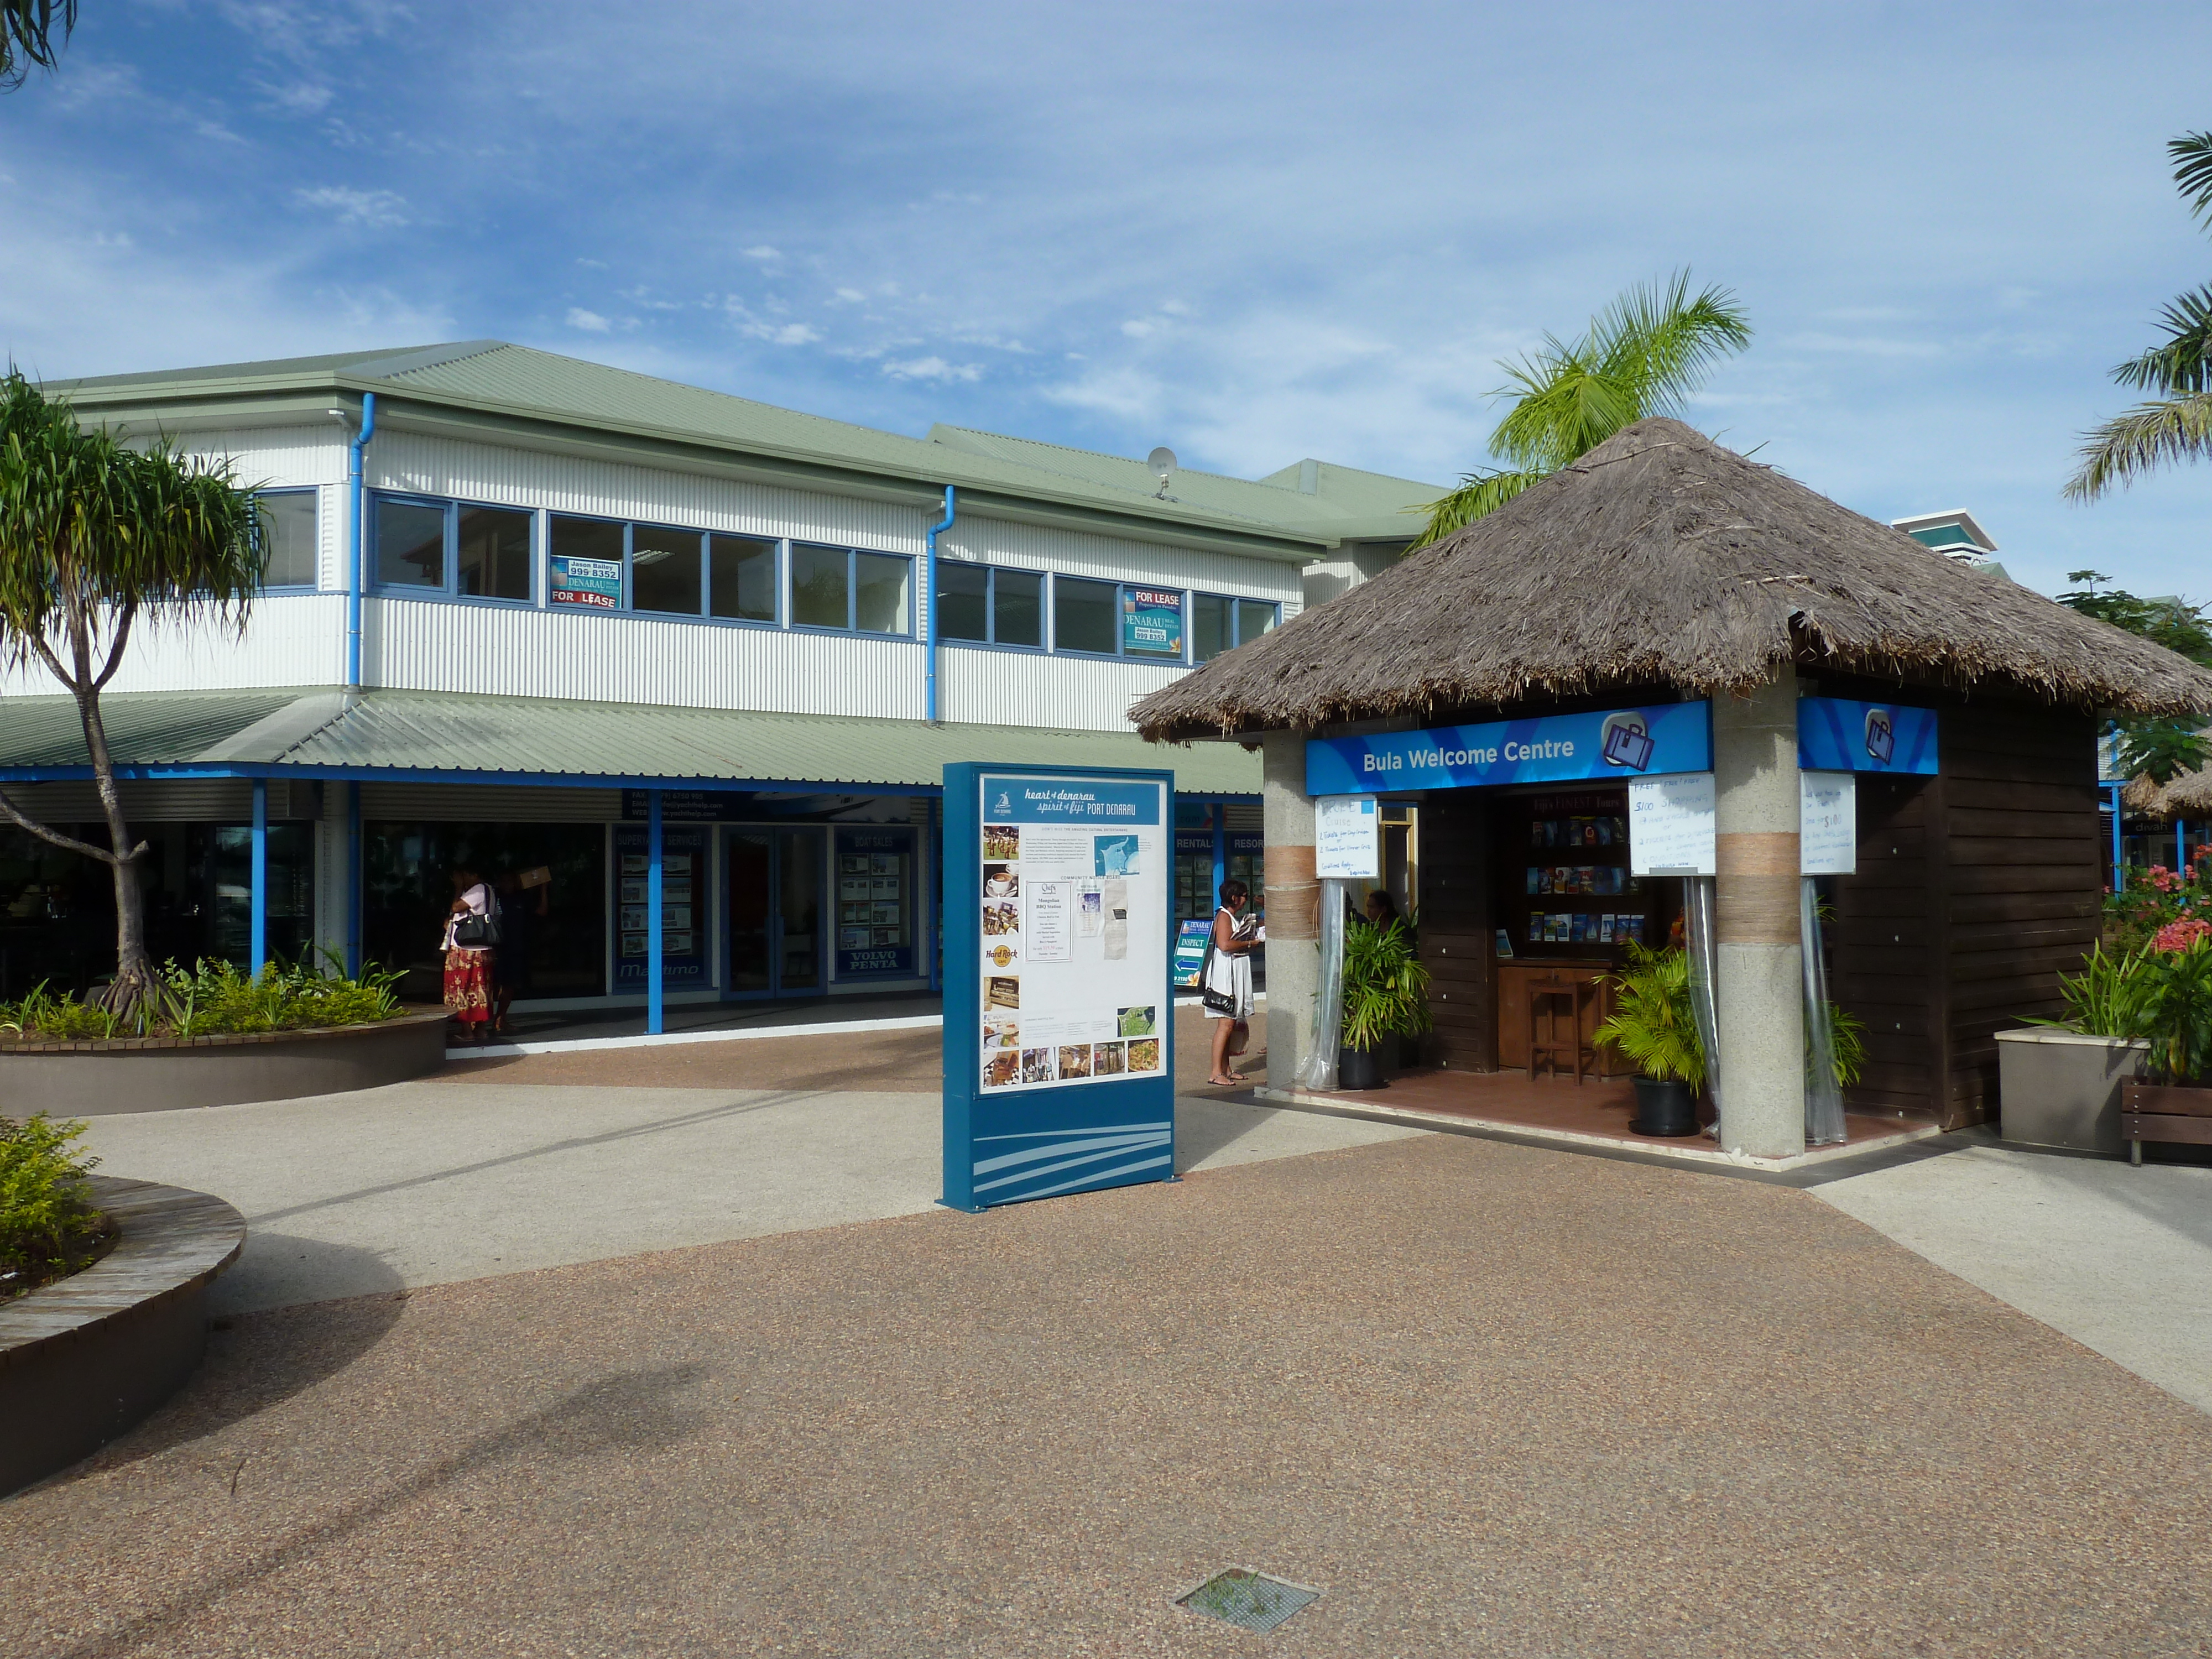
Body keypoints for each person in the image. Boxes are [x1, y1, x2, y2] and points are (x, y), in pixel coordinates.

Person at [1203, 878, 1261, 1087]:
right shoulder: (1224, 916)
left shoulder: (1230, 917)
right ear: (1235, 898)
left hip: (1235, 970)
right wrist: (1249, 942)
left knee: (1231, 1022)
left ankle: (1226, 1069)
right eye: (1244, 896)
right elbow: (1225, 944)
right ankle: (1215, 1071)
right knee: (1225, 1024)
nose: (1245, 900)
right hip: (1226, 974)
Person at [442, 865, 499, 1043]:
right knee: (481, 989)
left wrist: (458, 888)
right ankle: (480, 1030)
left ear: (475, 874)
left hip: (466, 950)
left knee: (461, 988)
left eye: (465, 875)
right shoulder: (490, 890)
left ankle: (467, 1031)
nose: (463, 879)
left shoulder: (477, 890)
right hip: (482, 949)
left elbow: (456, 906)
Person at [491, 868, 546, 1035]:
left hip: (516, 948)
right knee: (490, 986)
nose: (507, 884)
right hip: (495, 948)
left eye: (510, 880)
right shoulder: (493, 897)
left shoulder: (522, 898)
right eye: (504, 881)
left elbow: (542, 912)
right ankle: (478, 1022)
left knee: (509, 985)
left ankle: (501, 1019)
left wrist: (544, 889)